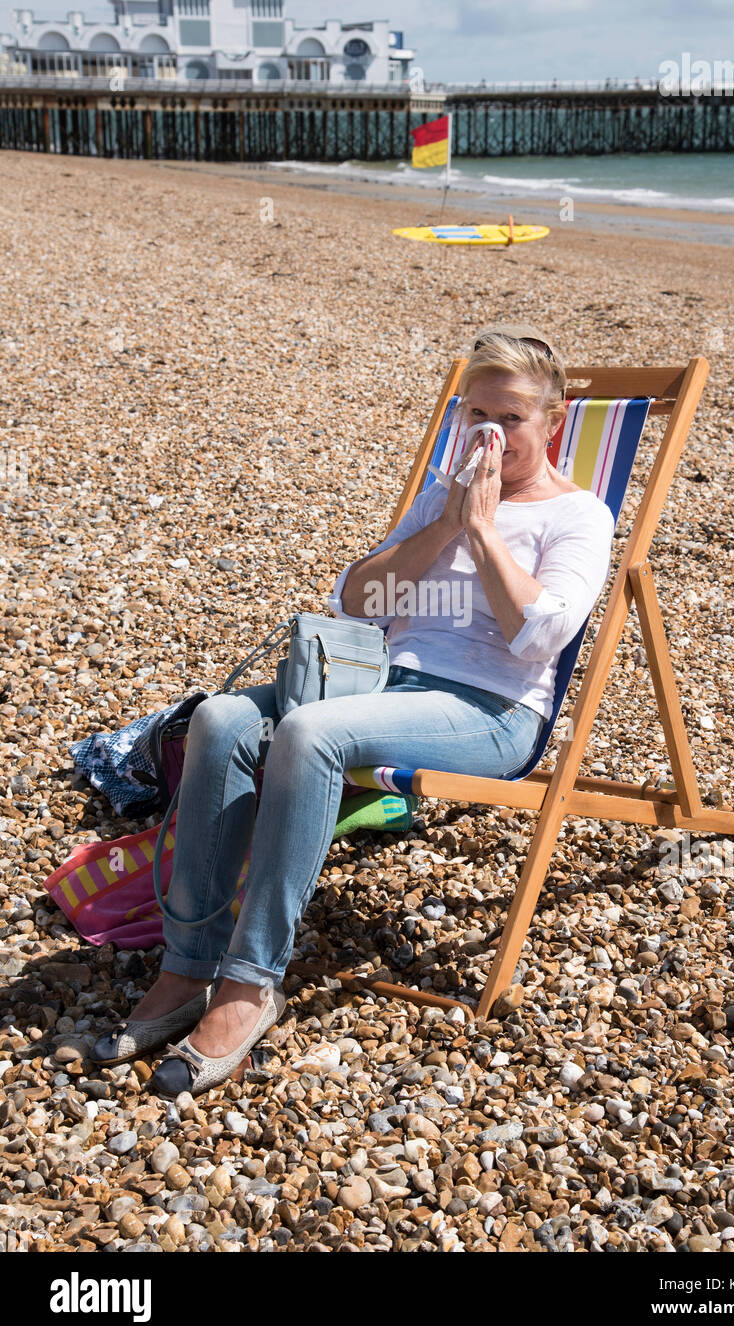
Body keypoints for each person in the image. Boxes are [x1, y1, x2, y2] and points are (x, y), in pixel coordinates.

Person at [91, 323, 615, 1095]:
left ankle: (248, 984)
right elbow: (355, 601)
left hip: (490, 710)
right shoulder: (445, 496)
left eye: (510, 419)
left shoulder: (579, 517)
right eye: (477, 415)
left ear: (555, 422)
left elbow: (538, 638)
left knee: (307, 733)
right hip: (381, 684)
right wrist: (446, 521)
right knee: (221, 719)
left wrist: (483, 530)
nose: (491, 435)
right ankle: (185, 968)